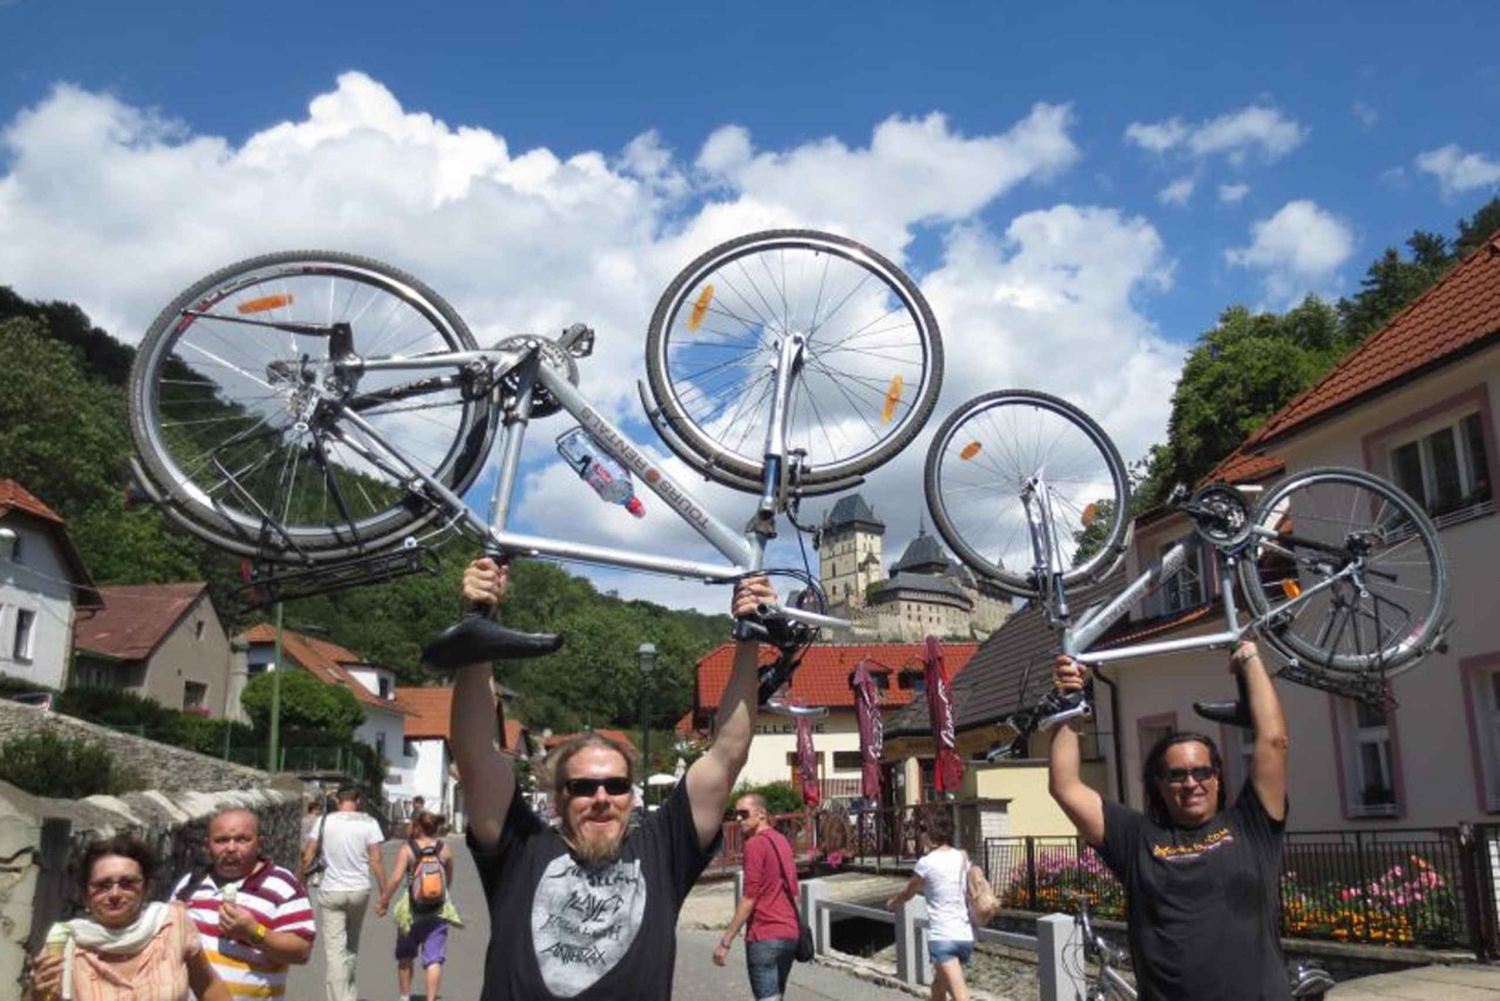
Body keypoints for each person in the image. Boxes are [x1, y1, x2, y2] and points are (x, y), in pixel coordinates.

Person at [454, 557, 775, 1001]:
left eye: (616, 785)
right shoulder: (520, 851)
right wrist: (479, 621)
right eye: (582, 787)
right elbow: (474, 753)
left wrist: (749, 638)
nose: (601, 797)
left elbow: (727, 754)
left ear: (632, 795)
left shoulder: (662, 852)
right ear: (557, 798)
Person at [1048, 640, 1291, 1001]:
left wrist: (1250, 658)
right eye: (1177, 775)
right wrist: (1069, 701)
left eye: (1201, 772)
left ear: (1217, 777)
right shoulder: (1136, 838)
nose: (1191, 783)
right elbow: (1065, 787)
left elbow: (1273, 741)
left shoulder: (1251, 825)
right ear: (1159, 784)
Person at [25, 834, 230, 1001]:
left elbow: (209, 986)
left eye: (127, 883)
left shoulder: (173, 923)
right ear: (85, 896)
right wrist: (36, 993)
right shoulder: (67, 943)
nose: (114, 894)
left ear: (146, 888)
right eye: (102, 885)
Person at [171, 808, 315, 1001]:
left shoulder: (282, 885)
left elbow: (301, 951)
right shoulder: (189, 885)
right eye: (221, 840)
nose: (231, 848)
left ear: (259, 843)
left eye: (242, 839)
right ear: (208, 845)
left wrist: (254, 932)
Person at [301, 784, 388, 1001]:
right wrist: (384, 893)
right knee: (351, 946)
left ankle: (341, 998)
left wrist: (301, 885)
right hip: (359, 890)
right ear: (358, 801)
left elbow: (309, 854)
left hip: (331, 890)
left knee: (334, 952)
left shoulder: (324, 821)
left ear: (338, 801)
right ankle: (348, 993)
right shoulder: (369, 822)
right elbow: (376, 859)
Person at [713, 793, 800, 1001]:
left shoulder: (754, 845)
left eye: (744, 814)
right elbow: (794, 890)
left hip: (764, 935)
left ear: (761, 814)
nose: (739, 819)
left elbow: (749, 897)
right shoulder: (781, 841)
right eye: (736, 815)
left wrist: (726, 941)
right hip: (789, 934)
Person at [885, 808, 973, 1001]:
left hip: (943, 937)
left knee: (961, 997)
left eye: (923, 829)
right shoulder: (962, 858)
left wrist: (893, 902)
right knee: (938, 987)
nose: (920, 834)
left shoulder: (926, 863)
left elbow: (909, 893)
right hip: (965, 935)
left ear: (931, 832)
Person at [376, 810, 462, 1001]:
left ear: (417, 826)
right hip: (438, 910)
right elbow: (449, 873)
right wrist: (445, 892)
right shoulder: (444, 849)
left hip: (412, 910)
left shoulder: (407, 850)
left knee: (405, 955)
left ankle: (405, 997)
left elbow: (396, 878)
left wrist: (384, 901)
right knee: (434, 960)